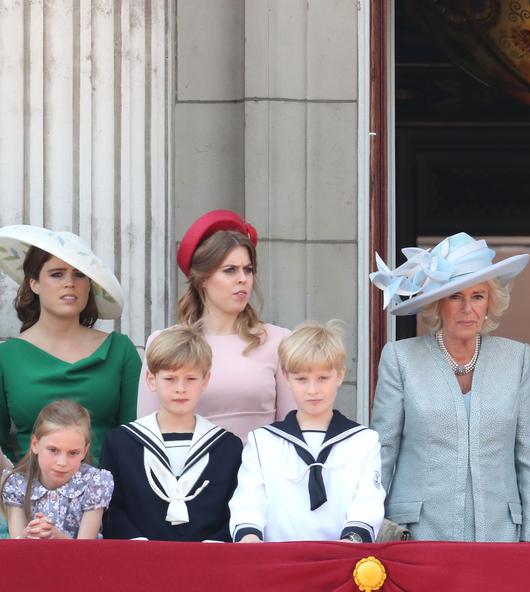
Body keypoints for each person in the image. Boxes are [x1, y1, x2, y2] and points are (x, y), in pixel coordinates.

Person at [370, 233, 530, 542]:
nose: (468, 308)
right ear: (438, 304)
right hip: (418, 535)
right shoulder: (400, 358)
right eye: (455, 296)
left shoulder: (516, 358)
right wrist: (372, 529)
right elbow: (383, 451)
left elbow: (529, 457)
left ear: (490, 302)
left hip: (500, 534)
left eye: (478, 296)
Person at [139, 210, 294, 440]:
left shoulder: (279, 341)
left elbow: (292, 428)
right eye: (230, 270)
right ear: (202, 279)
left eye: (248, 269)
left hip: (261, 472)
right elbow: (147, 430)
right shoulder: (163, 342)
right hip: (190, 472)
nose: (243, 278)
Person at [228, 321, 383, 542]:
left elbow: (368, 501)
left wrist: (351, 542)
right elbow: (249, 500)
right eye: (301, 379)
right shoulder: (263, 442)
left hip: (342, 560)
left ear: (340, 376)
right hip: (278, 562)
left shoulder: (363, 442)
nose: (313, 390)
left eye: (323, 378)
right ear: (285, 377)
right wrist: (249, 537)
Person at [0, 225, 139, 462]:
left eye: (79, 274)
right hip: (26, 493)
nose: (70, 283)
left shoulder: (120, 351)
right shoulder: (5, 356)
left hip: (108, 493)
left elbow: (137, 437)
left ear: (89, 286)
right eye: (57, 274)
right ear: (34, 283)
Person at [99, 326, 242, 541]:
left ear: (205, 380)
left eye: (190, 379)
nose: (180, 388)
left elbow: (235, 508)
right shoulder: (121, 442)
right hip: (138, 563)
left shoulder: (227, 447)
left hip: (209, 563)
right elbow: (112, 509)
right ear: (150, 379)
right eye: (170, 379)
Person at [2, 400, 114, 539]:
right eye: (53, 450)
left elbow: (86, 550)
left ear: (85, 450)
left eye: (73, 453)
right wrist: (30, 533)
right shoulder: (17, 484)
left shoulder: (94, 483)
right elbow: (15, 549)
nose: (62, 462)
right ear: (35, 444)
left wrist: (55, 536)